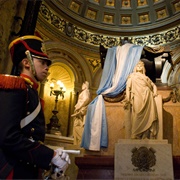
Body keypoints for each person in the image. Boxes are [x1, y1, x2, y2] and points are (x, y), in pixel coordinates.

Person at [0, 35, 70, 179]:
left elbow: (30, 137)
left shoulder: (30, 92)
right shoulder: (15, 87)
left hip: (27, 169)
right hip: (13, 170)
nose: (47, 68)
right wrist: (50, 155)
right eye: (43, 62)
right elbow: (8, 137)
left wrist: (51, 152)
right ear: (27, 62)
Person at [124, 60, 158, 139]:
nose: (139, 66)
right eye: (138, 65)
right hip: (137, 96)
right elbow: (128, 87)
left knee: (148, 115)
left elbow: (153, 85)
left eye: (141, 65)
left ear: (143, 68)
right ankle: (135, 134)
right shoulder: (132, 76)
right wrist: (128, 98)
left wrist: (155, 92)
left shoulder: (146, 77)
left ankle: (145, 135)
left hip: (148, 96)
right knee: (138, 113)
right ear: (135, 68)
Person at [71, 81, 91, 145]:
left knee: (77, 125)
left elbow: (86, 99)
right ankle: (77, 142)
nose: (82, 85)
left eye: (83, 84)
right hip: (80, 110)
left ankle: (81, 141)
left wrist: (79, 107)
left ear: (85, 85)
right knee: (77, 125)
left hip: (81, 111)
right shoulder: (85, 92)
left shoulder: (85, 91)